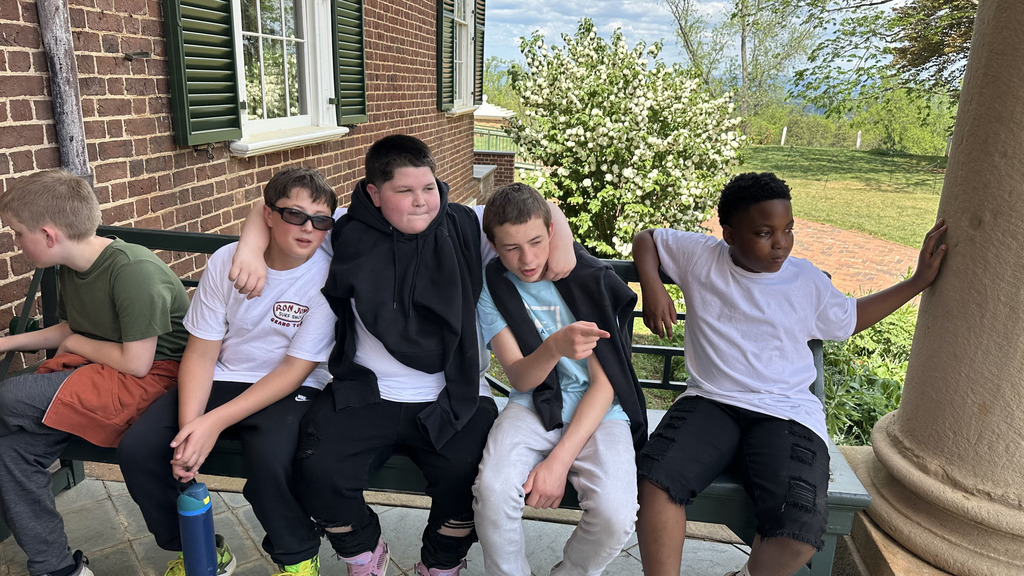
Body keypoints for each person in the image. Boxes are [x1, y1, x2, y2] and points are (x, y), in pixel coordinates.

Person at [227, 134, 576, 576]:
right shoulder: (347, 228)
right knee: (318, 473)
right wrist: (249, 247)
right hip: (365, 392)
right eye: (404, 191)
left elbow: (538, 211)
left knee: (468, 483)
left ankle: (440, 563)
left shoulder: (466, 226)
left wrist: (560, 240)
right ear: (374, 193)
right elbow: (272, 214)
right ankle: (365, 552)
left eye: (428, 188)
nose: (420, 202)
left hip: (452, 393)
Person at [631, 172, 948, 576]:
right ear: (729, 234)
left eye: (788, 229)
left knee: (799, 527)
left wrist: (918, 281)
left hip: (787, 412)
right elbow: (647, 238)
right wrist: (652, 282)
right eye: (764, 232)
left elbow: (849, 318)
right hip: (711, 401)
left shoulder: (806, 280)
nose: (780, 242)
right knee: (656, 481)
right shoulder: (701, 256)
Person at [118, 167, 339, 576]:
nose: (308, 228)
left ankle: (298, 555)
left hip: (293, 384)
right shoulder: (227, 263)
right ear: (269, 215)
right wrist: (190, 429)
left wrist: (212, 424)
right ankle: (197, 548)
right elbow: (202, 354)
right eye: (294, 215)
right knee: (141, 449)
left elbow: (293, 370)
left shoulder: (326, 276)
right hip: (225, 375)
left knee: (271, 456)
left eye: (320, 220)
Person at [0, 169, 190, 576]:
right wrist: (6, 343)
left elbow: (137, 363)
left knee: (9, 397)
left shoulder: (132, 270)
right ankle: (56, 567)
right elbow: (72, 329)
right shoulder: (70, 265)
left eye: (17, 233)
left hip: (155, 379)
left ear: (49, 235)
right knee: (12, 453)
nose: (16, 244)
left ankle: (192, 544)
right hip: (103, 372)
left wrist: (74, 345)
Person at [471, 183, 647, 576]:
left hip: (601, 410)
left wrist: (557, 463)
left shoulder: (587, 279)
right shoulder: (493, 286)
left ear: (552, 232)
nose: (528, 258)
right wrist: (554, 348)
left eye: (536, 241)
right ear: (494, 246)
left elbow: (605, 385)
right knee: (493, 491)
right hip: (534, 401)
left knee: (616, 515)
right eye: (511, 248)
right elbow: (520, 376)